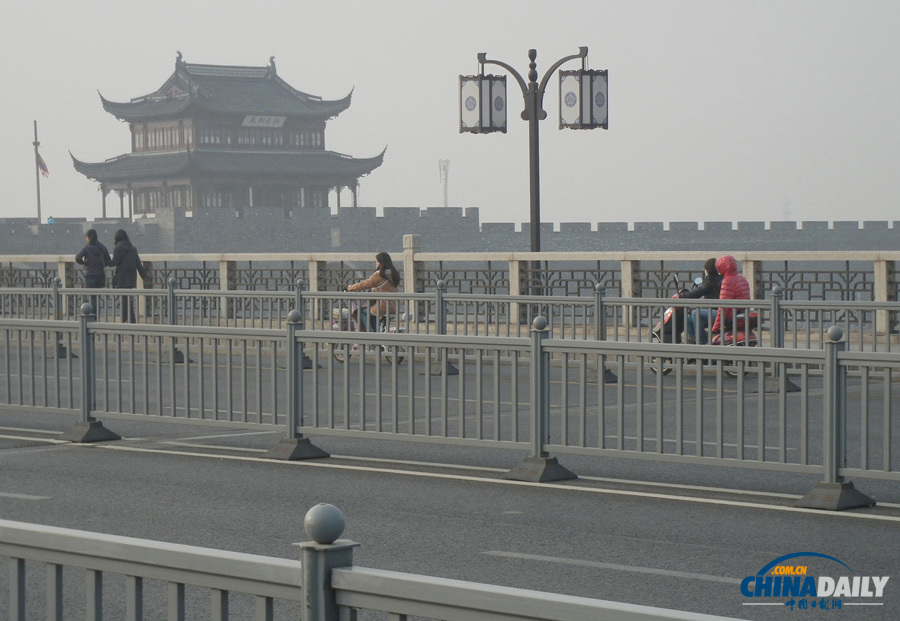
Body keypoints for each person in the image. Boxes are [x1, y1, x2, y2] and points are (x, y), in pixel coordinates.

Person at [346, 251, 400, 332]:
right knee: (372, 313)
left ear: (380, 262)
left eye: (377, 261)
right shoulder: (393, 273)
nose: (376, 263)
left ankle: (370, 333)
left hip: (383, 305)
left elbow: (366, 283)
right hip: (393, 305)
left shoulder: (379, 274)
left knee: (360, 312)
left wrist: (350, 288)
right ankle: (376, 334)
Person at [678, 257, 722, 344]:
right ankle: (696, 341)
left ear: (707, 271)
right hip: (721, 310)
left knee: (694, 315)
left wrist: (681, 296)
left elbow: (694, 294)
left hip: (716, 311)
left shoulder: (710, 281)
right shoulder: (722, 278)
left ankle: (701, 343)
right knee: (691, 320)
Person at [109, 229, 148, 323]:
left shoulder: (117, 248)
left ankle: (131, 321)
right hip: (131, 279)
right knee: (126, 299)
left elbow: (115, 262)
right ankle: (125, 320)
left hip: (121, 278)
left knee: (125, 300)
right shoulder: (133, 248)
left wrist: (105, 260)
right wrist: (145, 279)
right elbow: (139, 265)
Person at [711, 254, 750, 336]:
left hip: (730, 317)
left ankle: (702, 342)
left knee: (696, 314)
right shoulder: (742, 278)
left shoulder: (728, 280)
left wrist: (715, 328)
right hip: (740, 313)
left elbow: (723, 307)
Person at [74, 229, 111, 314]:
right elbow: (108, 260)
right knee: (97, 296)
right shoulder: (102, 247)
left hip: (89, 275)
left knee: (92, 296)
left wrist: (84, 263)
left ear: (88, 237)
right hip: (100, 275)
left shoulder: (86, 248)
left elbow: (77, 258)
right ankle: (97, 315)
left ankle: (92, 316)